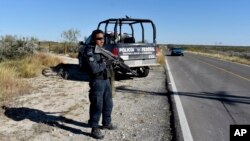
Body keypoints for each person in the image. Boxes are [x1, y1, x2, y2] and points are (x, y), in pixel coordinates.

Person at [84, 29, 117, 139]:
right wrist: (105, 63)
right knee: (97, 105)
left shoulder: (103, 50)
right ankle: (94, 128)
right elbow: (94, 69)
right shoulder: (89, 51)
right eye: (99, 38)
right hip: (97, 81)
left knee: (108, 103)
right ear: (94, 39)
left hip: (106, 80)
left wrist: (113, 61)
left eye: (103, 38)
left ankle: (106, 123)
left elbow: (108, 62)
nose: (102, 40)